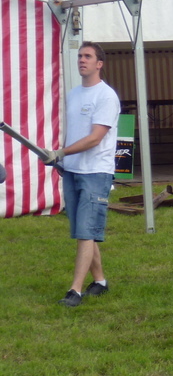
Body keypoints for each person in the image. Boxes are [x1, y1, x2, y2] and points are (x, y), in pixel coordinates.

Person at [43, 42, 121, 308]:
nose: (82, 60)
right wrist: (61, 159)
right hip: (72, 170)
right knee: (82, 231)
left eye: (88, 56)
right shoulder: (74, 94)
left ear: (99, 64)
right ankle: (100, 281)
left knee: (86, 231)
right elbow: (73, 132)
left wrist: (61, 152)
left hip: (96, 172)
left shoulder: (106, 96)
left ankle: (74, 290)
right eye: (80, 56)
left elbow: (95, 138)